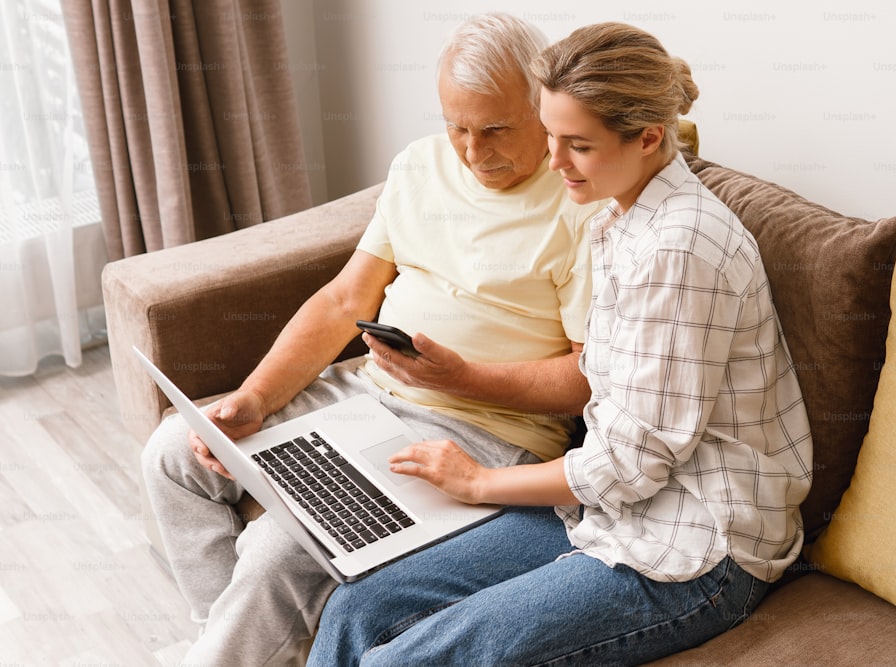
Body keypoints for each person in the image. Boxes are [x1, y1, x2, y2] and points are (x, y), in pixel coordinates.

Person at [307, 22, 814, 666]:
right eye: (550, 136)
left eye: (576, 145)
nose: (552, 163)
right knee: (358, 606)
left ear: (650, 137)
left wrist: (480, 480)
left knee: (398, 662)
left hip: (699, 548)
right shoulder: (618, 217)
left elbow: (630, 466)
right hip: (611, 510)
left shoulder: (679, 250)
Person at [140, 13, 606, 666]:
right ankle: (224, 641)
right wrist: (254, 399)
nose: (472, 151)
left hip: (482, 430)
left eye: (495, 128)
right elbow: (343, 300)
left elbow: (588, 376)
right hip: (363, 390)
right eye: (457, 125)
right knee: (172, 451)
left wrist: (459, 378)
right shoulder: (419, 165)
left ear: (544, 107)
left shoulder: (581, 206)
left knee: (281, 545)